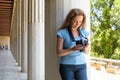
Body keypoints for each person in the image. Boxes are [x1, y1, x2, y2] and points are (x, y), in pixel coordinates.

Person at [56, 8, 90, 80]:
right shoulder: (62, 33)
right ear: (70, 20)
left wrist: (86, 47)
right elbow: (59, 52)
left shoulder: (84, 32)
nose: (78, 24)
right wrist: (72, 49)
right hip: (66, 66)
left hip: (81, 65)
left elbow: (87, 52)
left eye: (80, 22)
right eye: (75, 21)